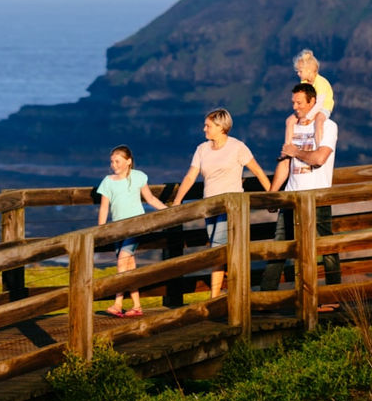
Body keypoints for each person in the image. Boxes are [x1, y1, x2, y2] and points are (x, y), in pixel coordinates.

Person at [170, 108, 272, 296]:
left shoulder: (237, 147)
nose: (204, 129)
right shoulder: (201, 149)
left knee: (217, 247)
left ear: (221, 127)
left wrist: (272, 196)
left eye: (208, 126)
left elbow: (257, 171)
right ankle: (235, 293)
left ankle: (215, 296)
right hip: (210, 207)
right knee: (221, 249)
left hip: (231, 207)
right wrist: (177, 200)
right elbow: (191, 176)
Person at [260, 81, 340, 301]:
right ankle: (264, 300)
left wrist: (296, 151)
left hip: (317, 198)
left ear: (312, 101)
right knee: (280, 248)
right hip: (291, 197)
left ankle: (334, 296)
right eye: (293, 102)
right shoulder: (292, 126)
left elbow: (319, 159)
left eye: (299, 102)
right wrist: (273, 194)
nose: (295, 107)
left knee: (326, 248)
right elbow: (285, 163)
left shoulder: (328, 127)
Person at [97, 145, 167, 317]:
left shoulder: (138, 177)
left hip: (136, 228)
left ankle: (117, 303)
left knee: (122, 261)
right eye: (112, 161)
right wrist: (100, 230)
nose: (114, 165)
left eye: (118, 161)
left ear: (128, 161)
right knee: (129, 267)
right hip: (116, 230)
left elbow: (150, 198)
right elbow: (104, 208)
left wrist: (169, 211)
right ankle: (136, 306)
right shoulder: (107, 181)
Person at [284, 49, 335, 152]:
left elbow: (320, 104)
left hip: (324, 107)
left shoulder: (321, 83)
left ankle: (319, 147)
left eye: (300, 71)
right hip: (310, 107)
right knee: (290, 121)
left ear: (309, 71)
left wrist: (307, 117)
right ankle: (287, 149)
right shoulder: (304, 81)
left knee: (319, 121)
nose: (298, 73)